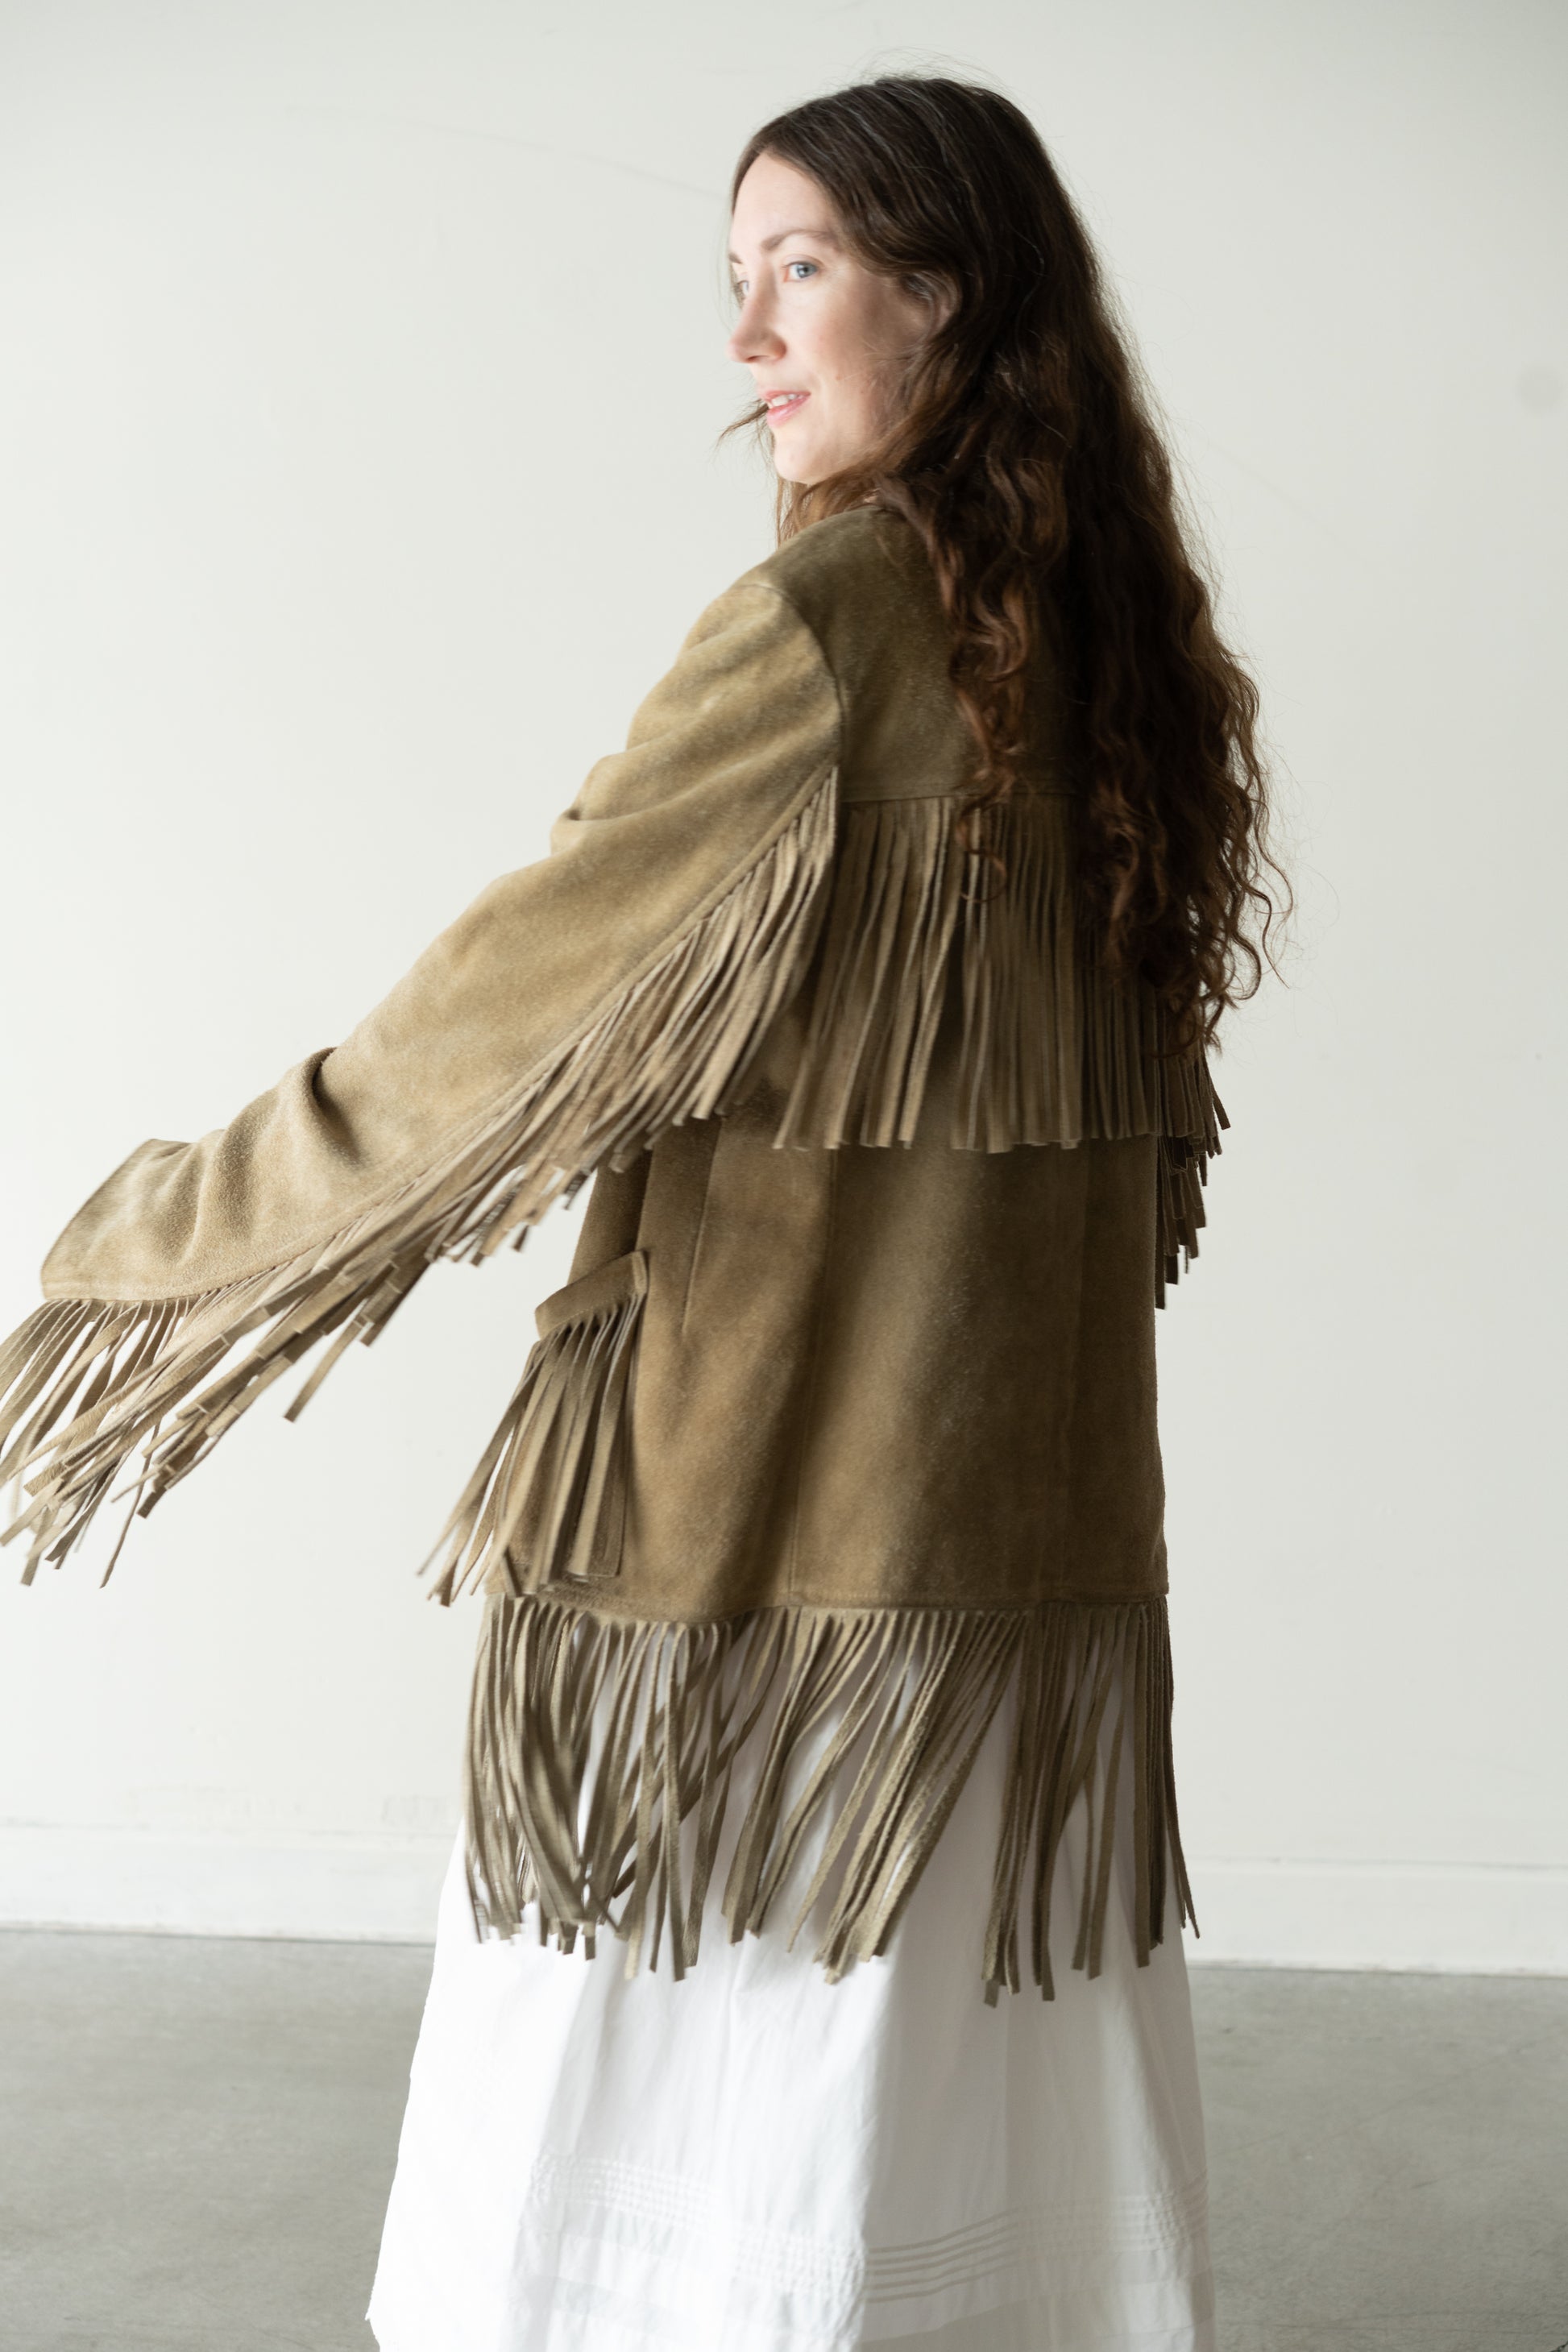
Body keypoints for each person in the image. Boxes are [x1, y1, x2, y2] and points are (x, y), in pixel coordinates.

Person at [0, 73, 1286, 2352]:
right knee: (931, 2090)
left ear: (944, 292)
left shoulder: (823, 625)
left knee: (678, 2084)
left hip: (758, 1512)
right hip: (1015, 1526)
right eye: (738, 279)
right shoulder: (1111, 652)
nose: (747, 335)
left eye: (798, 268)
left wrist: (163, 1235)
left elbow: (507, 1007)